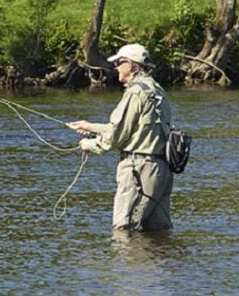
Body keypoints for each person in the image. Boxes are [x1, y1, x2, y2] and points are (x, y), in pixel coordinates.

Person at [66, 43, 174, 232]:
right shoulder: (157, 90)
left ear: (132, 66)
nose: (115, 67)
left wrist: (90, 145)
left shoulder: (135, 92)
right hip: (161, 169)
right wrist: (90, 126)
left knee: (125, 231)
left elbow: (117, 136)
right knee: (158, 234)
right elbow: (134, 128)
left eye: (119, 62)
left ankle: (125, 263)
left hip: (138, 170)